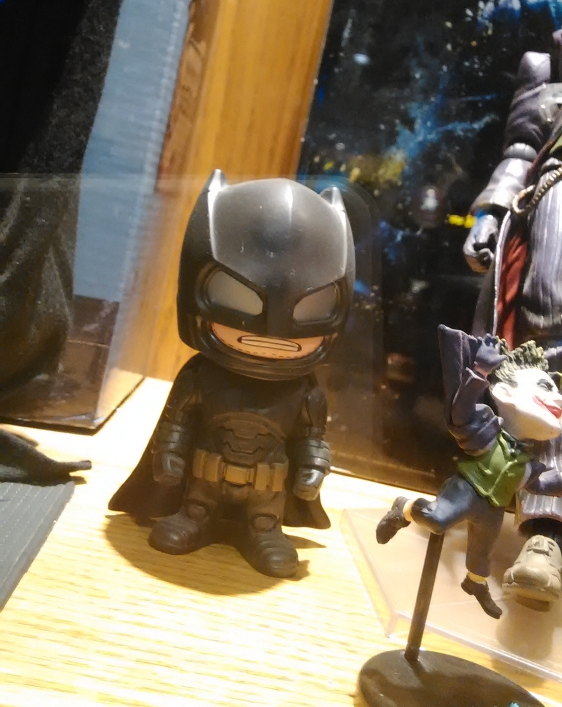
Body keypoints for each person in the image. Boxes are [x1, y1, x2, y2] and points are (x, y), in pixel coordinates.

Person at [109, 171, 355, 578]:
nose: (271, 333)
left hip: (267, 485)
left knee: (264, 514)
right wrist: (170, 454)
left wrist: (313, 470)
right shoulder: (200, 377)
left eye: (312, 306)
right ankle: (195, 516)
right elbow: (178, 422)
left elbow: (310, 439)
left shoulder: (306, 393)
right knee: (198, 503)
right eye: (236, 294)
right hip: (204, 477)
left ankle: (264, 530)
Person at [463, 34, 562, 607]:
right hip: (554, 215)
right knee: (545, 346)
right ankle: (545, 533)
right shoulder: (547, 71)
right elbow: (521, 151)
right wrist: (491, 212)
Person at [377, 326, 562, 619]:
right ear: (504, 392)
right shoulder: (487, 431)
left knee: (481, 552)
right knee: (438, 519)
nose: (558, 398)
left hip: (493, 509)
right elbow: (461, 413)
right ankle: (405, 507)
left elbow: (541, 484)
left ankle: (475, 583)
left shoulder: (527, 460)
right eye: (545, 387)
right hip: (466, 491)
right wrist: (480, 373)